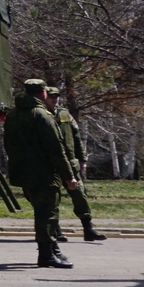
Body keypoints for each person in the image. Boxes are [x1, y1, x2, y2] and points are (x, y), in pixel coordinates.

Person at [2, 79, 79, 268]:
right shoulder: (42, 115)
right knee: (48, 215)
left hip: (23, 172)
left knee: (43, 212)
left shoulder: (13, 115)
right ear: (43, 93)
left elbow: (8, 144)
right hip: (44, 173)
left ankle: (53, 250)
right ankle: (46, 255)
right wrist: (69, 176)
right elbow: (55, 150)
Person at [46, 86, 106, 243]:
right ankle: (55, 230)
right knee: (53, 199)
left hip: (70, 162)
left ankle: (88, 228)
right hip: (50, 164)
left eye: (57, 96)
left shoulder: (65, 114)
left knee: (80, 195)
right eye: (51, 96)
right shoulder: (41, 115)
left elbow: (76, 137)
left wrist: (82, 159)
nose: (55, 99)